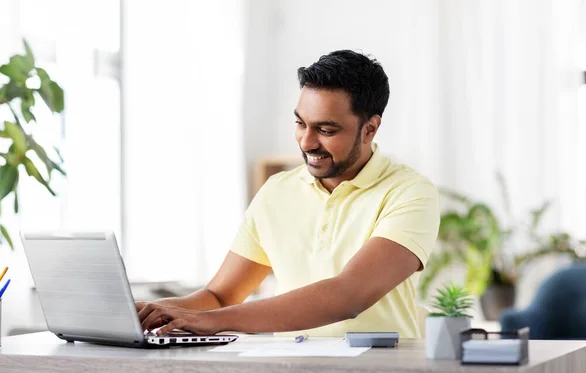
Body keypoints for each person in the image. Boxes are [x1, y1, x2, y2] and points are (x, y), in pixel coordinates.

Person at [137, 50, 440, 338]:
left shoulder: (409, 193)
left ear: (370, 129)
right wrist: (148, 312)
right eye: (300, 123)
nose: (306, 142)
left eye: (326, 130)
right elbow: (220, 296)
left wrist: (211, 322)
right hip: (289, 371)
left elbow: (349, 295)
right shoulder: (277, 191)